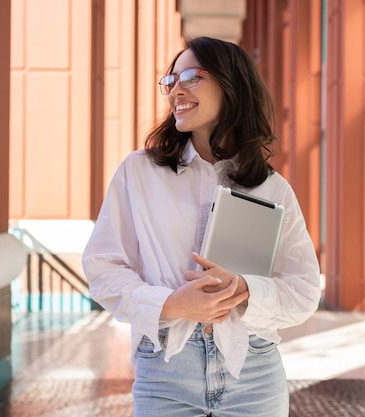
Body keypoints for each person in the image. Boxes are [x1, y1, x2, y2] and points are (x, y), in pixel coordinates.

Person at [82, 36, 321, 417]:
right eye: (171, 80)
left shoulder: (272, 188)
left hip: (253, 372)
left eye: (191, 76)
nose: (176, 89)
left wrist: (244, 289)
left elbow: (304, 290)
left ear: (232, 84)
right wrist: (171, 304)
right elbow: (102, 268)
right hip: (165, 373)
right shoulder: (138, 172)